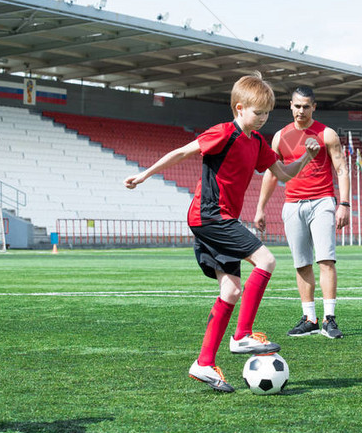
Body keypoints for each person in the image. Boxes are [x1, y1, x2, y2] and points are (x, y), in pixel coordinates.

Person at [124, 73, 320, 393]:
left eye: (268, 113)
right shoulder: (223, 133)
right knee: (266, 260)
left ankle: (203, 363)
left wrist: (308, 156)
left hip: (220, 219)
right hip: (209, 216)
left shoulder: (256, 143)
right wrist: (144, 175)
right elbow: (183, 153)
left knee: (230, 291)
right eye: (258, 113)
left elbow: (283, 174)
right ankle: (242, 335)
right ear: (239, 108)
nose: (263, 118)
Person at [254, 86, 350, 339]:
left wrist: (345, 203)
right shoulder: (279, 137)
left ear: (314, 107)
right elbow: (272, 174)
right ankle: (310, 318)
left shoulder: (326, 134)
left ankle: (329, 319)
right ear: (291, 106)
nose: (301, 110)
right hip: (292, 204)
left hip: (322, 202)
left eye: (306, 106)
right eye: (297, 106)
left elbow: (341, 169)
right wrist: (260, 208)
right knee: (301, 263)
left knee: (326, 260)